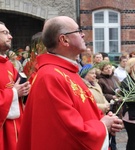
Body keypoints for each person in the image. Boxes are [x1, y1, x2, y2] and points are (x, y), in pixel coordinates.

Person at [17, 16, 123, 150]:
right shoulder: (50, 76)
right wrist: (102, 126)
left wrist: (107, 120)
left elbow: (84, 108)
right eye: (78, 31)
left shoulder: (68, 71)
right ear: (64, 40)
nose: (83, 34)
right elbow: (68, 132)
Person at [0, 21, 31, 150]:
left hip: (15, 127)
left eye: (10, 33)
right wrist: (14, 93)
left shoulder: (7, 64)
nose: (10, 36)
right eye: (5, 33)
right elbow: (14, 90)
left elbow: (18, 87)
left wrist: (25, 90)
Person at [97, 61, 121, 150]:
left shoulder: (115, 77)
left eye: (110, 68)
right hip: (108, 106)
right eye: (106, 68)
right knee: (109, 130)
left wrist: (120, 93)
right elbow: (101, 94)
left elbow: (119, 88)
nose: (109, 70)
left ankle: (114, 146)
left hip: (117, 104)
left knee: (114, 128)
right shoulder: (101, 80)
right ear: (102, 70)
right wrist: (112, 96)